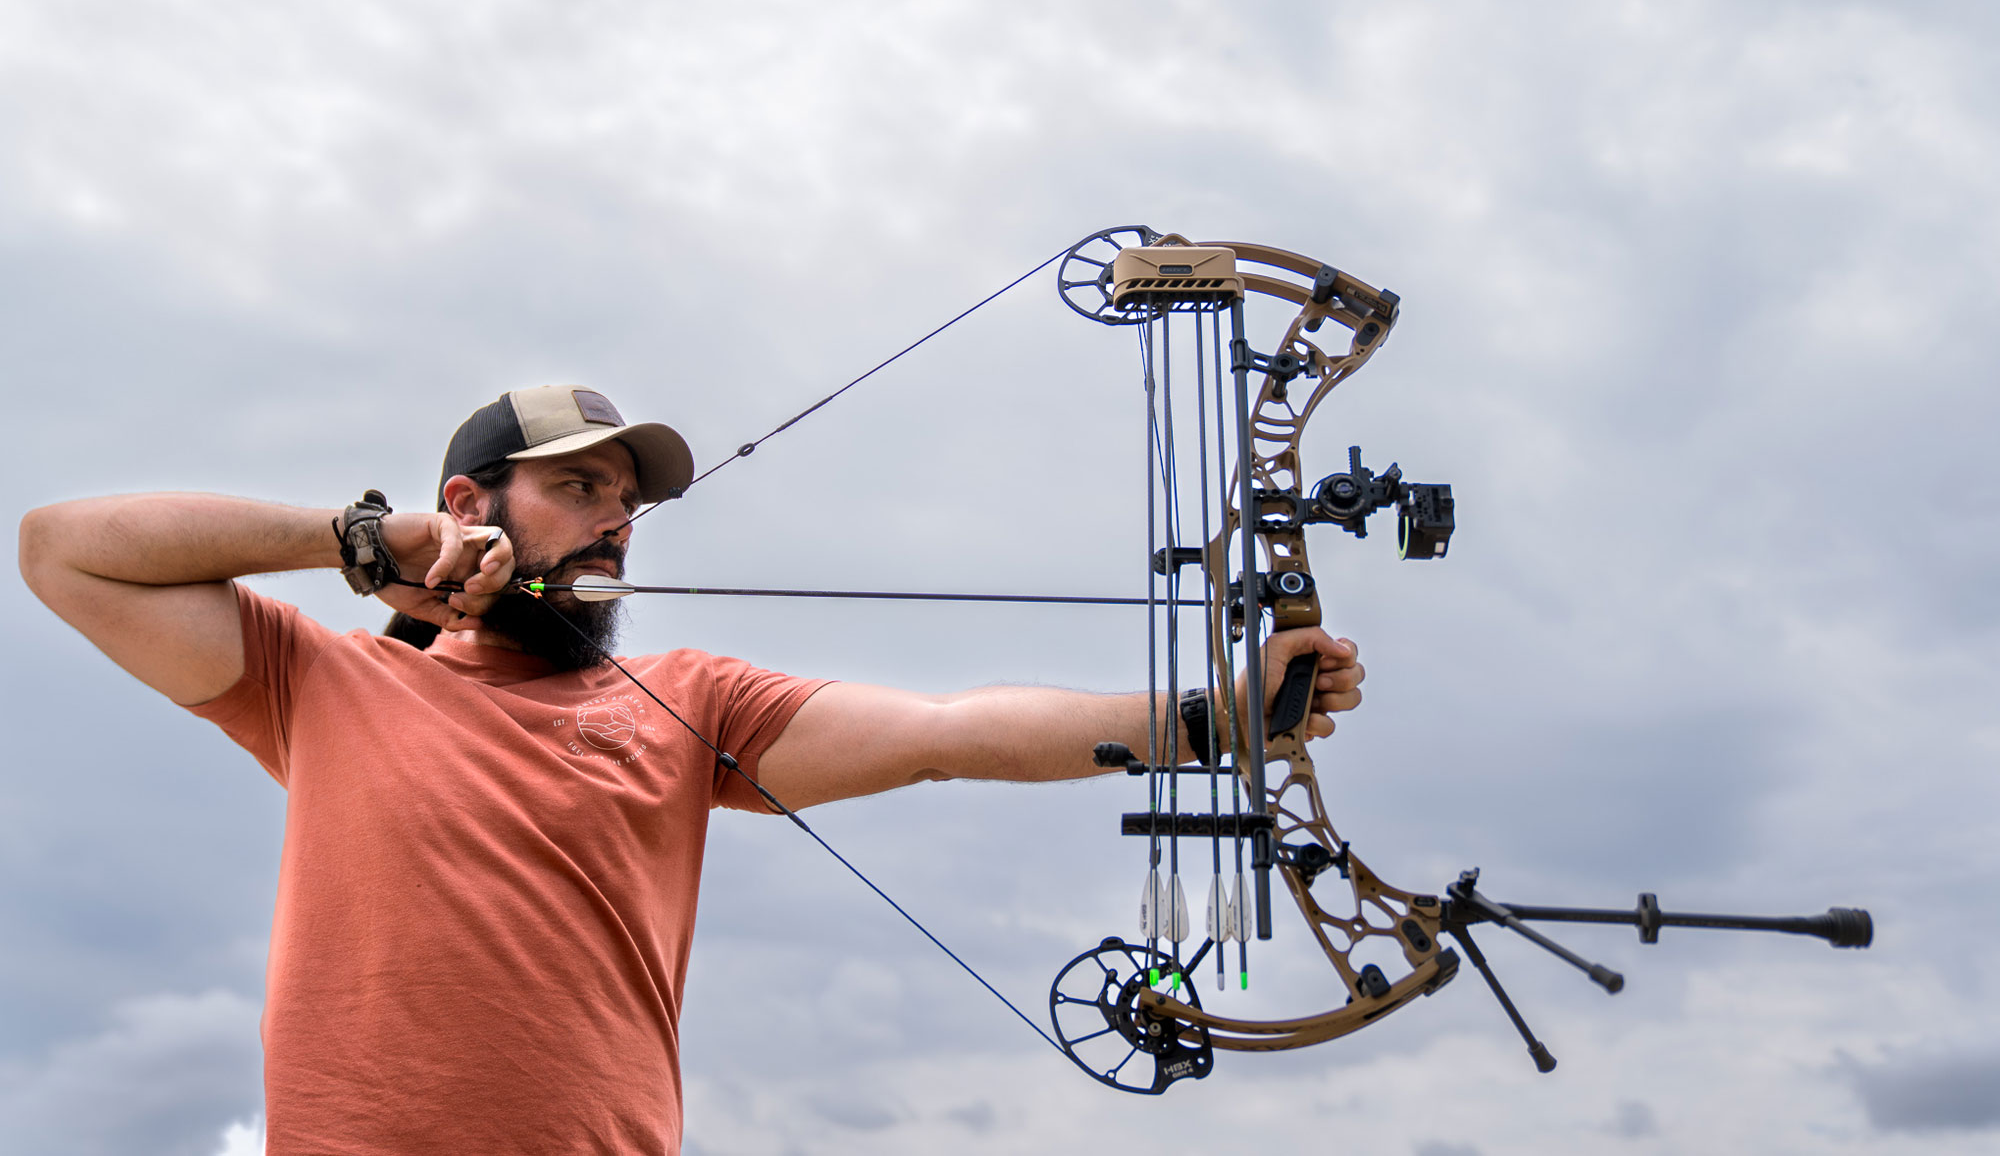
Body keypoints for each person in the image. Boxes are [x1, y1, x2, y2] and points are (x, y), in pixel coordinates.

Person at [17, 383, 1364, 1155]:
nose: (619, 518)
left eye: (627, 497)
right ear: (473, 504)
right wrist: (366, 540)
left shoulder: (687, 699)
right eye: (585, 487)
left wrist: (1210, 719)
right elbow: (62, 546)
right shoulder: (321, 682)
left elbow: (952, 727)